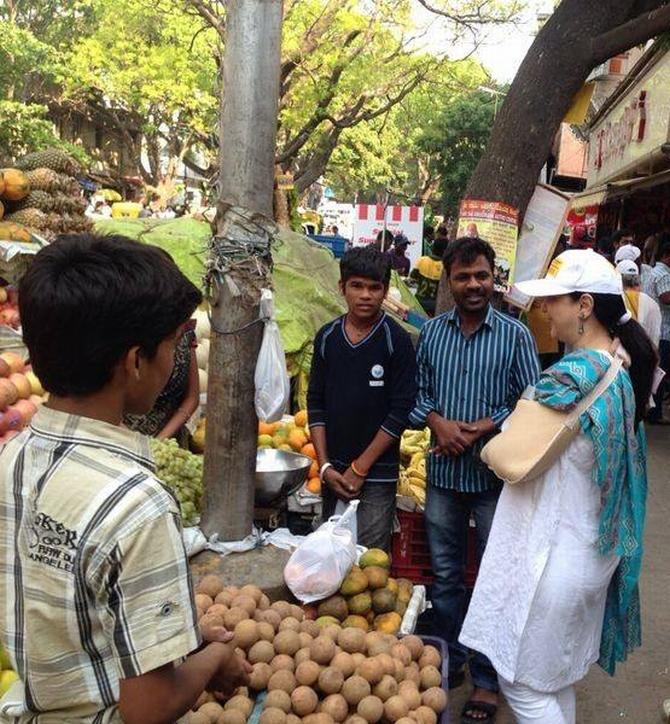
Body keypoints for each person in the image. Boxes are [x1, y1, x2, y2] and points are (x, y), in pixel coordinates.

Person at [0, 234, 251, 723]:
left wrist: (183, 638)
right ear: (135, 362)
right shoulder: (138, 504)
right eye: (173, 347)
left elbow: (68, 607)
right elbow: (147, 709)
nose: (175, 361)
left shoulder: (13, 458)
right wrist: (213, 658)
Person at [461, 248, 655, 724]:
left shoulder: (573, 374)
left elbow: (509, 452)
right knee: (555, 679)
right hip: (589, 551)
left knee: (522, 685)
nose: (545, 311)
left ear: (584, 306)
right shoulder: (621, 371)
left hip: (552, 559)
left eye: (555, 301)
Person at [408, 237, 540, 723]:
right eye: (463, 277)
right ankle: (451, 660)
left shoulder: (516, 335)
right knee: (445, 578)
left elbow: (531, 399)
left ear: (494, 277)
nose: (473, 285)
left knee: (491, 580)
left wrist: (488, 424)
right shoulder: (434, 333)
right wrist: (437, 421)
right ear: (449, 281)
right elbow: (417, 394)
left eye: (481, 275)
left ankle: (487, 681)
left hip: (492, 478)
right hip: (443, 475)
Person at [307, 247, 417, 551]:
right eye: (357, 286)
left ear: (385, 292)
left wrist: (360, 468)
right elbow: (315, 401)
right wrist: (325, 466)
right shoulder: (327, 337)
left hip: (377, 473)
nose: (365, 295)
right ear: (342, 287)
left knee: (369, 559)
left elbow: (400, 411)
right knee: (330, 552)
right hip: (334, 472)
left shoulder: (397, 340)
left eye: (374, 287)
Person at [123, 317, 201, 443]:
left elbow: (192, 397)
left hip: (168, 443)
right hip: (123, 438)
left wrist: (160, 441)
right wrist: (135, 442)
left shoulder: (187, 333)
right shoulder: (130, 329)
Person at [647, 239, 670, 423]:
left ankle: (650, 408)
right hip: (664, 330)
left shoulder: (653, 271)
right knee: (661, 372)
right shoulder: (664, 274)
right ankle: (655, 414)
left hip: (656, 329)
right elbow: (666, 298)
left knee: (656, 370)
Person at [617, 259, 661, 348]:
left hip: (621, 356)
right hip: (645, 356)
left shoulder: (616, 300)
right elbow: (655, 335)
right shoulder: (652, 303)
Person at [411, 236, 448, 316]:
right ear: (445, 251)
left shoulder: (422, 260)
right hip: (434, 306)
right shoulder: (445, 267)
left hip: (418, 302)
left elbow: (412, 279)